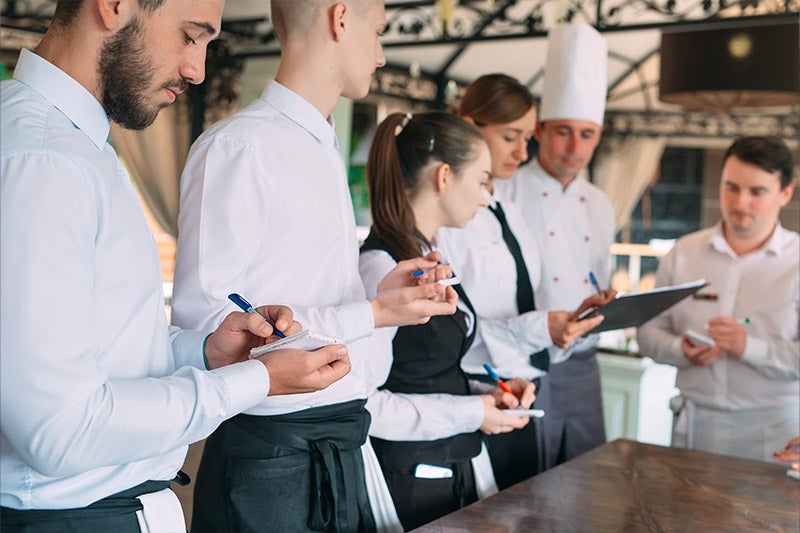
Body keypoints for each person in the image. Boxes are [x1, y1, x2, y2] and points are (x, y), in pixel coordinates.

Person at [0, 0, 352, 531]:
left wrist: (208, 352)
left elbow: (106, 345)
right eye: (191, 36)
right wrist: (254, 381)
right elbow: (61, 430)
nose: (197, 70)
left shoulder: (74, 146)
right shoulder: (43, 160)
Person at [171, 1, 458, 531]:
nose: (380, 54)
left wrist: (376, 293)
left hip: (341, 441)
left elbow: (306, 282)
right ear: (340, 18)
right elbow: (206, 325)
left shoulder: (321, 144)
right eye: (378, 32)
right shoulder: (240, 146)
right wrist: (369, 313)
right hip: (269, 460)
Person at [359, 111, 537, 530]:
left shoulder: (430, 255)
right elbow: (366, 406)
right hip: (408, 481)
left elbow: (431, 367)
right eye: (481, 179)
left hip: (450, 465)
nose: (486, 196)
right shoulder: (379, 268)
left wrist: (490, 391)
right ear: (444, 177)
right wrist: (473, 412)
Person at [437, 73, 610, 489]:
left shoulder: (506, 212)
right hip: (474, 392)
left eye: (525, 138)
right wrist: (543, 328)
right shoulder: (448, 218)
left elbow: (519, 300)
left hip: (520, 383)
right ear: (470, 126)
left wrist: (570, 317)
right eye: (511, 136)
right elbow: (454, 329)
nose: (522, 151)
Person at [495, 23, 615, 469]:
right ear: (540, 130)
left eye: (587, 134)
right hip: (524, 358)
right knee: (530, 477)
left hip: (585, 363)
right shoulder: (505, 190)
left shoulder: (600, 203)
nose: (574, 146)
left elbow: (595, 273)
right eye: (563, 131)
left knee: (588, 476)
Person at [637, 136, 799, 462]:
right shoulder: (684, 252)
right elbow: (647, 334)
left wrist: (748, 347)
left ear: (785, 193)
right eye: (731, 187)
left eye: (757, 192)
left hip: (774, 431)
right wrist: (679, 349)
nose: (740, 202)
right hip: (693, 426)